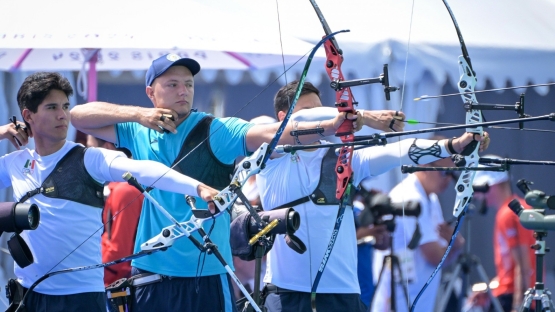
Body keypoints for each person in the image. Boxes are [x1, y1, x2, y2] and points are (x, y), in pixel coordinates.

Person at [69, 53, 354, 312]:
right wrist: (139, 114)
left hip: (209, 275)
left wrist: (331, 125)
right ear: (150, 93)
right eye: (172, 85)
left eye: (189, 84)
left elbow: (272, 133)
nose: (183, 91)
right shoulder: (136, 131)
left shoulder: (216, 129)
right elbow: (77, 117)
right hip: (152, 272)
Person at [256, 81, 488, 312]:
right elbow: (295, 126)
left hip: (343, 295)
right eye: (308, 112)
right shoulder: (270, 157)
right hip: (287, 293)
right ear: (282, 118)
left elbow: (398, 152)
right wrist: (364, 117)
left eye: (319, 109)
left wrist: (453, 146)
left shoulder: (342, 159)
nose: (318, 118)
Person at [0, 72, 218, 312]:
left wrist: (196, 187)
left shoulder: (88, 159)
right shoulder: (14, 163)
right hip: (28, 296)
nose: (62, 115)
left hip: (80, 298)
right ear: (27, 116)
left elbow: (142, 169)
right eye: (51, 107)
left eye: (65, 106)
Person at [371, 146, 466, 312]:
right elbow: (435, 257)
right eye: (444, 172)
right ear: (424, 165)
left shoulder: (432, 198)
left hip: (416, 300)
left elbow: (440, 257)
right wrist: (455, 245)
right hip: (398, 302)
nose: (448, 180)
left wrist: (452, 246)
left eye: (452, 174)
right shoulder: (411, 197)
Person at [472, 157, 536, 312]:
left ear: (491, 185)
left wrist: (517, 306)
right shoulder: (517, 209)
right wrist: (490, 290)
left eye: (481, 189)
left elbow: (523, 265)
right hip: (518, 296)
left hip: (513, 298)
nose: (478, 196)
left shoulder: (508, 214)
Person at [86, 135, 144, 287]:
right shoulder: (124, 186)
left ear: (107, 150)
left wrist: (91, 278)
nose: (85, 155)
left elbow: (119, 252)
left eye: (90, 150)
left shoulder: (125, 191)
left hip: (117, 283)